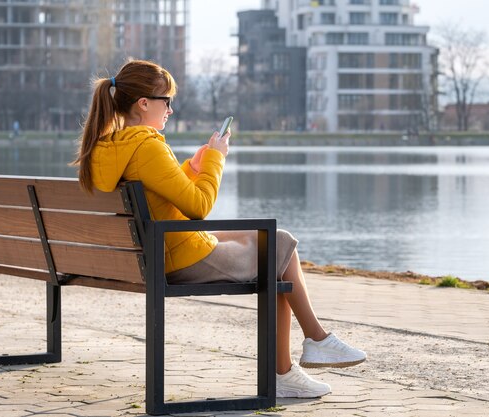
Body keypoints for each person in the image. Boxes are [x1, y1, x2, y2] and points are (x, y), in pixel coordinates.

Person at [73, 59, 366, 399]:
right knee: (278, 245)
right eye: (166, 100)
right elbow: (198, 207)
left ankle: (312, 345)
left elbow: (157, 193)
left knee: (273, 243)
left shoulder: (105, 146)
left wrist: (191, 166)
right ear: (143, 103)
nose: (170, 109)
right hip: (179, 257)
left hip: (153, 252)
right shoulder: (147, 145)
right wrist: (215, 158)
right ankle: (302, 355)